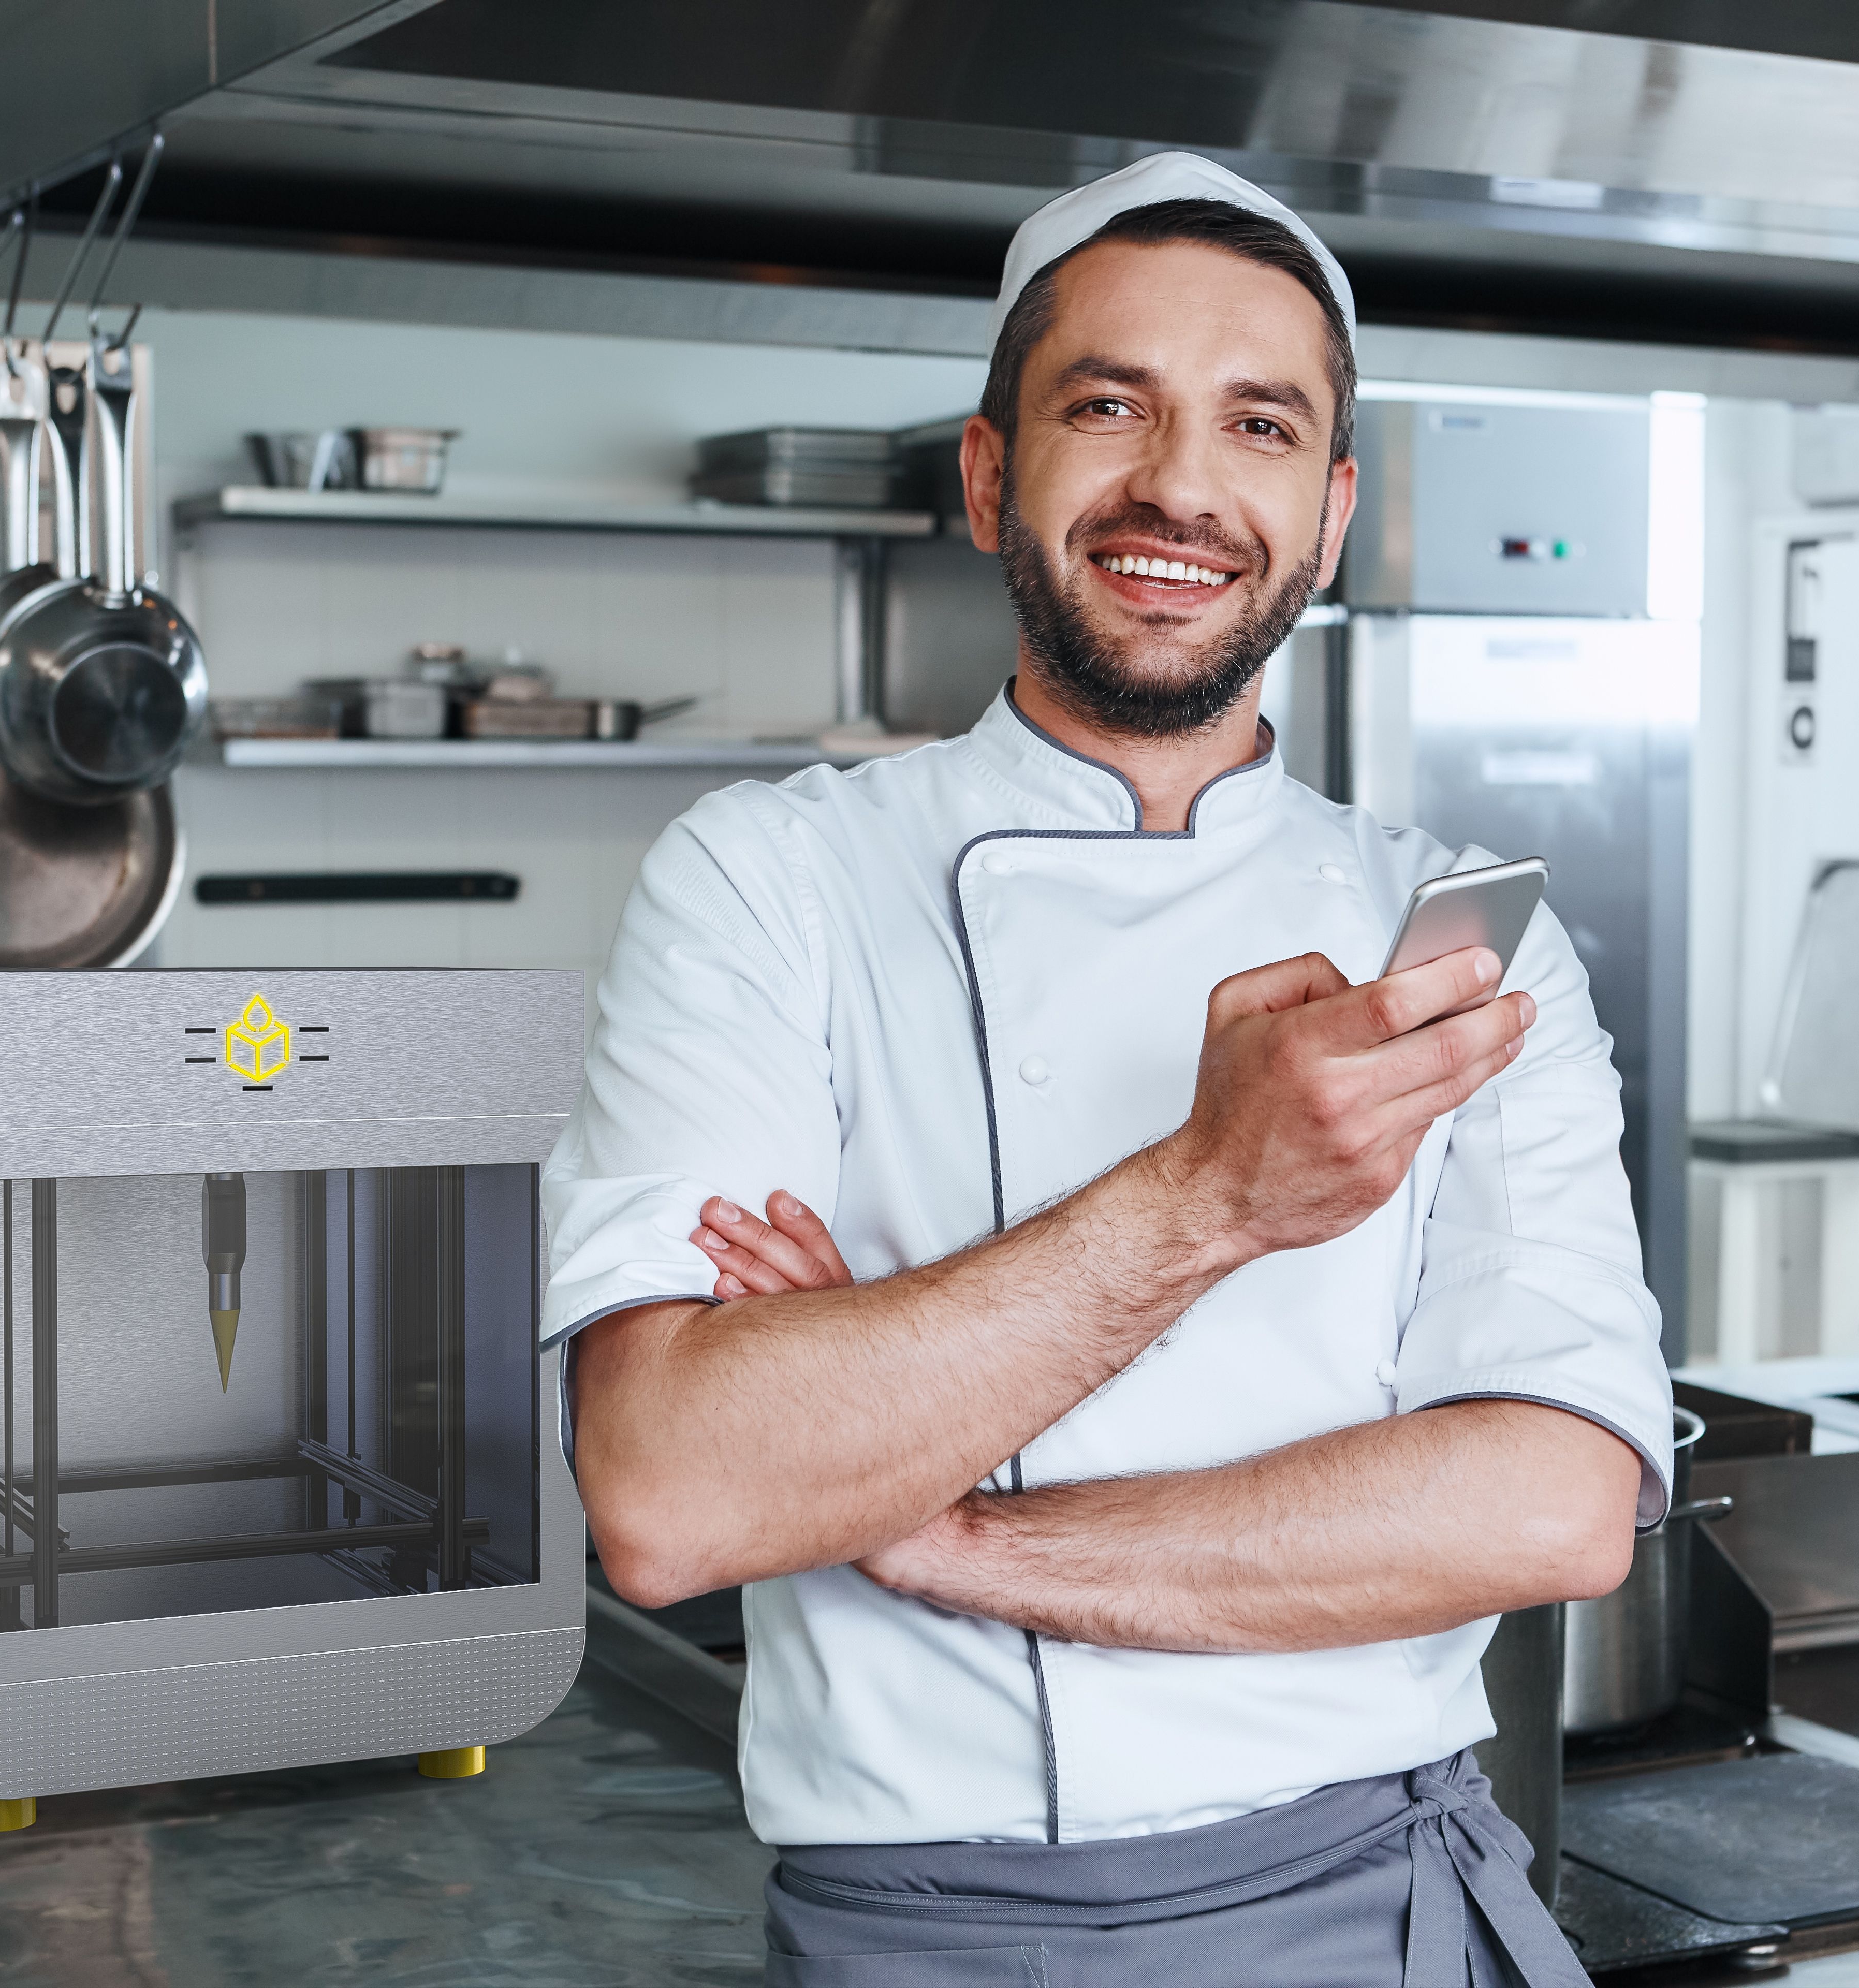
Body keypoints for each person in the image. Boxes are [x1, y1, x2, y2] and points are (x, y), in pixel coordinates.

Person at [545, 151, 1671, 1986]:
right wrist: (1215, 1192)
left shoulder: (1461, 942)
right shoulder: (772, 880)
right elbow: (673, 1492)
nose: (1181, 486)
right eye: (1108, 407)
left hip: (1392, 1898)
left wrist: (926, 1531)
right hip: (942, 1934)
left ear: (1327, 515)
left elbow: (1550, 1502)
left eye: (1260, 427)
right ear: (992, 474)